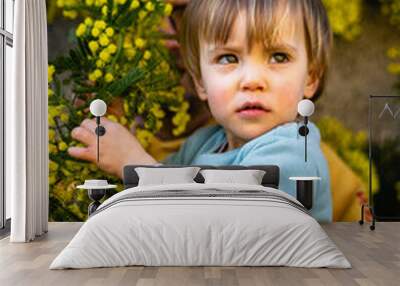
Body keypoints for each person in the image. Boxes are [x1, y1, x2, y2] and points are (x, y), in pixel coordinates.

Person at [69, 0, 333, 222]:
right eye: (228, 58)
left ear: (310, 78)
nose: (252, 80)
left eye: (278, 57)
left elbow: (219, 221)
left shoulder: (294, 152)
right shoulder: (206, 142)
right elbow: (164, 186)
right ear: (200, 82)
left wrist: (132, 161)